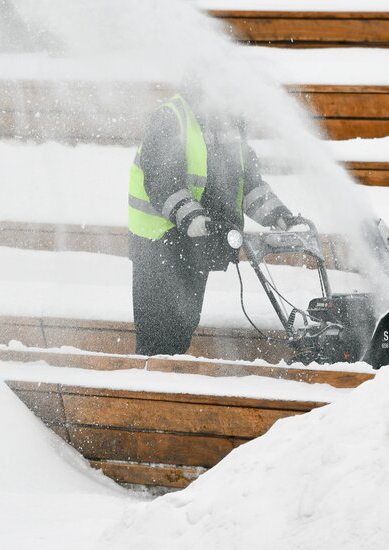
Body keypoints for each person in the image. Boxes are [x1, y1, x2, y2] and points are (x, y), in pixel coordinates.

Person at [127, 84, 298, 356]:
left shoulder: (228, 124)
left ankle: (171, 379)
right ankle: (153, 387)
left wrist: (278, 215)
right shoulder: (171, 118)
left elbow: (246, 181)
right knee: (158, 336)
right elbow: (161, 181)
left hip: (196, 243)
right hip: (158, 244)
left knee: (183, 326)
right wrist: (193, 217)